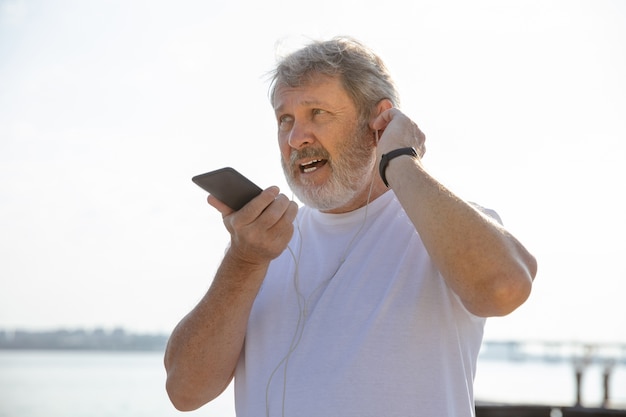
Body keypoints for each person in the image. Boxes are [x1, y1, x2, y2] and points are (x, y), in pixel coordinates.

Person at [164, 36, 537, 417]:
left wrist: (401, 159)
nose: (295, 138)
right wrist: (243, 261)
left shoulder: (442, 228)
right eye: (285, 120)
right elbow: (183, 391)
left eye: (318, 113)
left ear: (379, 120)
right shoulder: (261, 245)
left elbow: (505, 288)